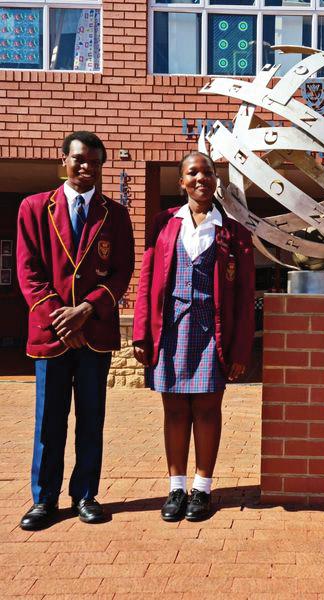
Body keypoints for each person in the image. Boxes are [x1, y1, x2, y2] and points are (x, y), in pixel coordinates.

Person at [16, 131, 135, 530]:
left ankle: (85, 494)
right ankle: (44, 499)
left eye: (95, 162)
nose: (87, 167)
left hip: (94, 332)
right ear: (64, 160)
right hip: (51, 334)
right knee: (49, 421)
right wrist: (61, 320)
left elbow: (121, 271)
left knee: (91, 419)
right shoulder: (35, 207)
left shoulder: (114, 214)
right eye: (80, 159)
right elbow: (28, 272)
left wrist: (86, 310)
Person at [133, 151, 255, 522]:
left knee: (207, 410)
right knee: (173, 411)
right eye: (192, 172)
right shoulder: (163, 223)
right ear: (181, 182)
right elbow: (147, 281)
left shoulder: (234, 232)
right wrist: (141, 333)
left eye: (208, 172)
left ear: (216, 180)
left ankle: (201, 489)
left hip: (212, 333)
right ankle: (176, 488)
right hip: (170, 331)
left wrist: (240, 349)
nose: (201, 178)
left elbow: (245, 296)